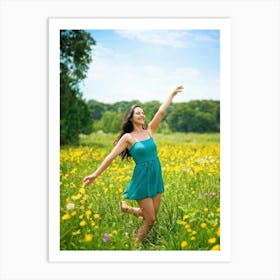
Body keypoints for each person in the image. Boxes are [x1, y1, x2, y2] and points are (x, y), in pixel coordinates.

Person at [83, 85, 184, 243]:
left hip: (156, 175)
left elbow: (161, 112)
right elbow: (110, 157)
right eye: (138, 113)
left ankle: (128, 209)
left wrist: (171, 95)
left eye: (143, 112)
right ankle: (134, 247)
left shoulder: (149, 130)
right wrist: (95, 174)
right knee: (150, 220)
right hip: (142, 178)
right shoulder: (128, 138)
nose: (142, 114)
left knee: (151, 216)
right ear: (131, 117)